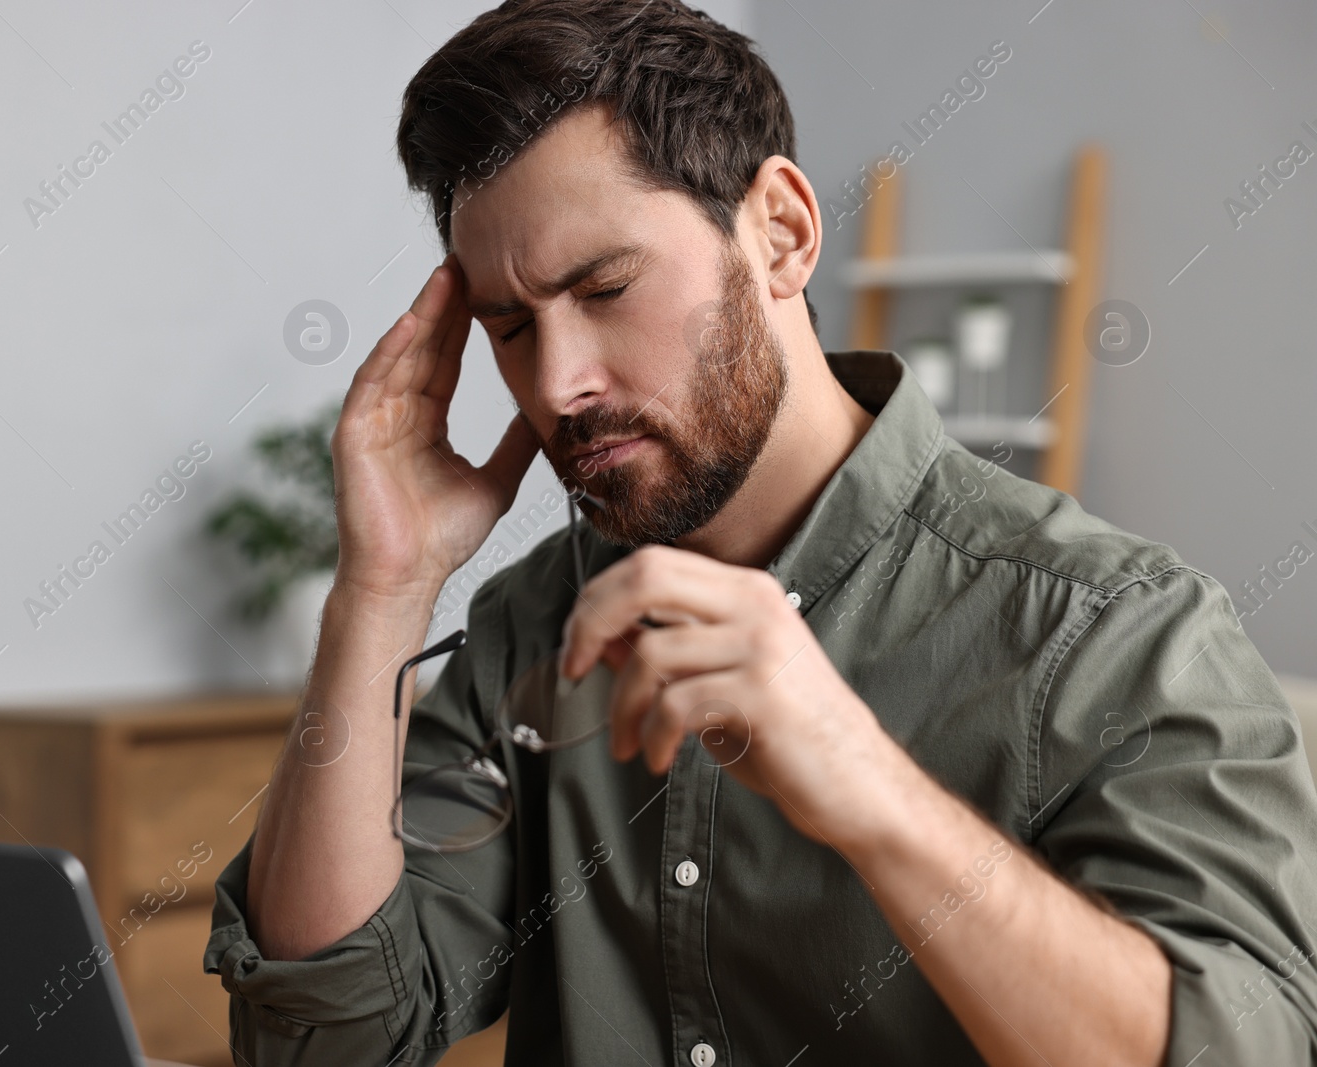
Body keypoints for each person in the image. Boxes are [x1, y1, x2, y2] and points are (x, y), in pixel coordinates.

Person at [204, 2, 1317, 1063]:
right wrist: (381, 589)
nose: (558, 383)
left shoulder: (1117, 634)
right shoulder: (526, 629)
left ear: (780, 232)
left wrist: (867, 788)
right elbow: (320, 1035)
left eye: (604, 287)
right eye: (509, 326)